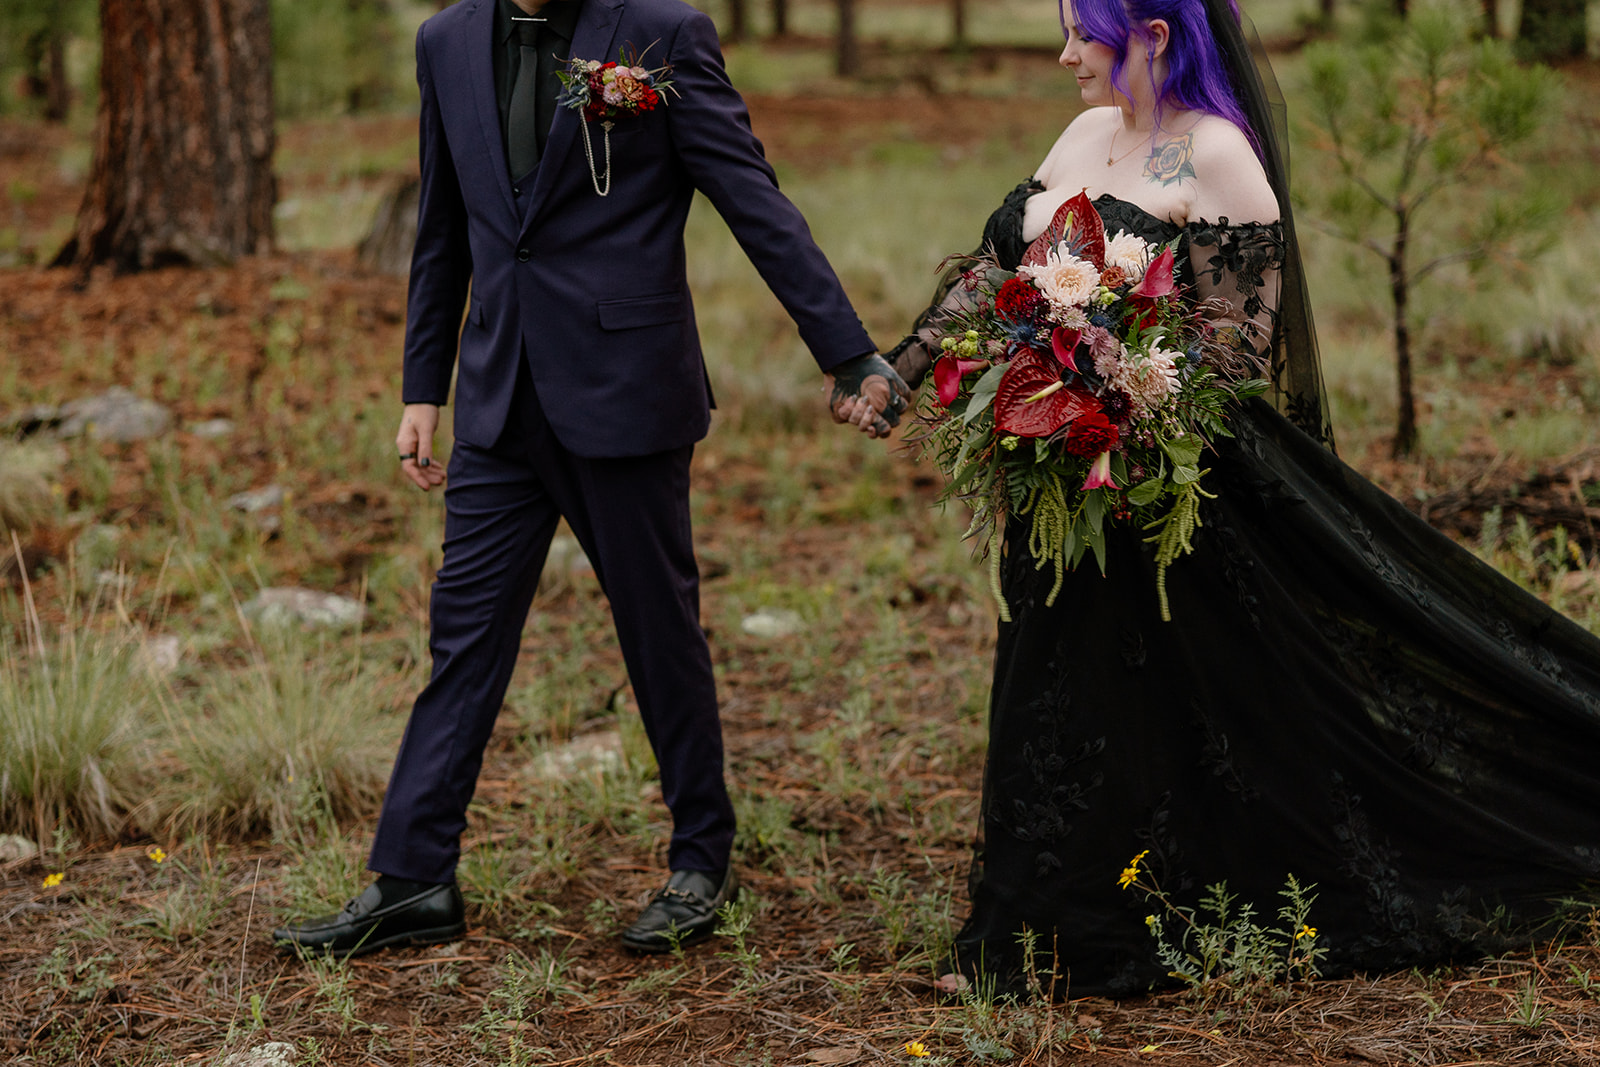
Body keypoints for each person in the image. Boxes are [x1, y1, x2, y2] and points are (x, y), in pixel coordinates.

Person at [871, 0, 1600, 997]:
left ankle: (1066, 937)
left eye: (1083, 35)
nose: (1064, 54)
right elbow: (998, 273)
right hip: (1058, 465)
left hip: (1171, 491)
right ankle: (1032, 921)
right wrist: (897, 371)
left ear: (1155, 38)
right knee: (1048, 683)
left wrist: (1101, 358)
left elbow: (1230, 363)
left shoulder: (1217, 160)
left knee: (1176, 703)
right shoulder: (1085, 133)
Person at [274, 0, 907, 959]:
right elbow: (442, 226)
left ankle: (702, 856)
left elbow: (752, 198)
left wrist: (848, 351)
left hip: (625, 392)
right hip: (498, 399)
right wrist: (422, 389)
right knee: (465, 635)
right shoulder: (444, 42)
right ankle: (412, 879)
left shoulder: (663, 32)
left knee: (658, 628)